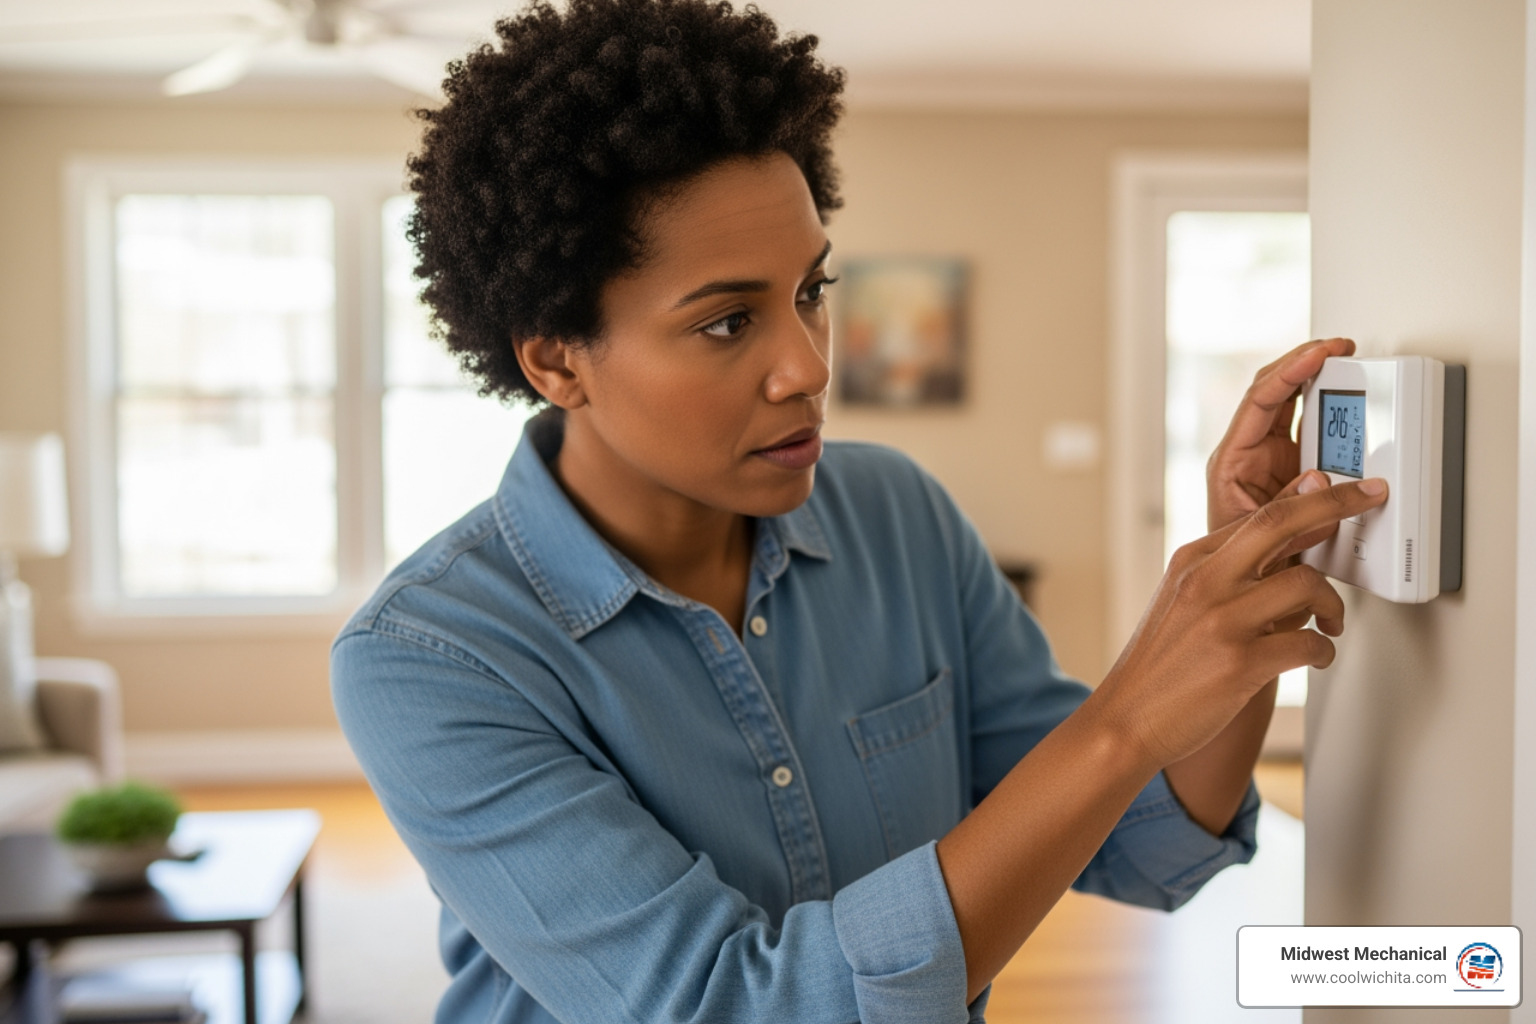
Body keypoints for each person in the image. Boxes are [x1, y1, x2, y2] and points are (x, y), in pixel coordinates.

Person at [330, 1, 1387, 1021]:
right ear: (558, 360)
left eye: (811, 291)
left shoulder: (896, 515)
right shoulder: (432, 656)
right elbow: (743, 1008)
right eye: (727, 321)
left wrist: (1238, 585)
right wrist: (1124, 716)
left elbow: (1147, 841)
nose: (808, 364)